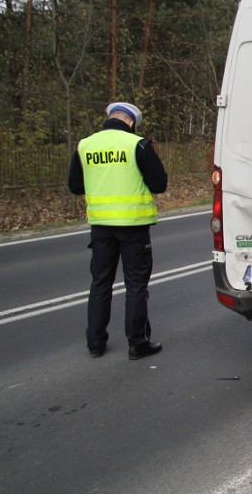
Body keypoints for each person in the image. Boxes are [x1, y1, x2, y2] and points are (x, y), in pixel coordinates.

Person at [68, 102, 167, 360]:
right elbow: (159, 183)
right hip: (133, 225)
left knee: (100, 283)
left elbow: (76, 186)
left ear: (110, 118)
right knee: (136, 285)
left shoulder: (85, 145)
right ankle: (138, 343)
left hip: (100, 227)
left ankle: (95, 344)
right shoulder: (138, 145)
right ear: (131, 122)